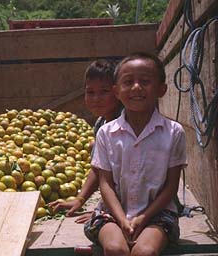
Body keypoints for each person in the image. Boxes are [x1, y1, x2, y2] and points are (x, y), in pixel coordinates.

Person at [86, 52, 187, 256]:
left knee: (145, 252)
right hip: (112, 213)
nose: (136, 87)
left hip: (158, 214)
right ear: (116, 91)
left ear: (161, 89)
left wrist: (144, 217)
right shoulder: (106, 133)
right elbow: (105, 183)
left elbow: (171, 187)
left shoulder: (173, 132)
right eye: (128, 82)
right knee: (115, 248)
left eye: (146, 81)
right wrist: (122, 219)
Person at [49, 58, 122, 222]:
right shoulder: (101, 123)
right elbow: (98, 168)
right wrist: (80, 199)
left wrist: (106, 210)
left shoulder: (126, 124)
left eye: (104, 91)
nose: (96, 98)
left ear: (117, 92)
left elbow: (133, 175)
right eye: (90, 92)